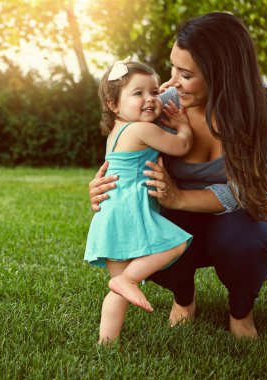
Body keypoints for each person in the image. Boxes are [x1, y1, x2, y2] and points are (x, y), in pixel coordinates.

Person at [88, 12, 267, 338]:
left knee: (246, 241)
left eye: (186, 74)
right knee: (142, 232)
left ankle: (241, 312)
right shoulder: (165, 105)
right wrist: (105, 189)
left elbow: (250, 191)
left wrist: (178, 196)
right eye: (173, 68)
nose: (172, 82)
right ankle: (184, 298)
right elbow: (124, 150)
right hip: (178, 215)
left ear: (222, 75)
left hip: (238, 213)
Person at [84, 60, 193, 344]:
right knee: (176, 243)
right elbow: (181, 146)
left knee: (116, 295)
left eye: (155, 92)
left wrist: (161, 90)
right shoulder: (141, 131)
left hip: (110, 217)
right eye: (138, 93)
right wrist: (182, 125)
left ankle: (106, 344)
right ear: (113, 104)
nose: (150, 100)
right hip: (130, 214)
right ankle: (129, 279)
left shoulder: (117, 131)